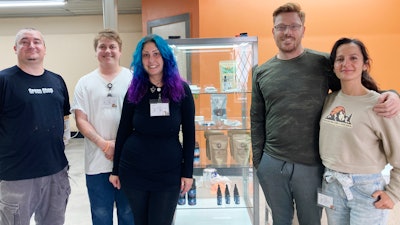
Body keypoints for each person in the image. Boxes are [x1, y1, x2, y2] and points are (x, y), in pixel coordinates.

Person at [250, 3, 400, 225]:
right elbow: (257, 118)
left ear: (303, 29)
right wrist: (259, 163)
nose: (287, 32)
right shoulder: (261, 72)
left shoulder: (321, 63)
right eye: (281, 27)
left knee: (311, 220)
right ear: (273, 31)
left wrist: (392, 94)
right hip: (273, 162)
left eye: (293, 26)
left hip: (312, 165)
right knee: (280, 220)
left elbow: (353, 87)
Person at [109, 34, 195, 225]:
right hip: (134, 170)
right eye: (146, 55)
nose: (151, 60)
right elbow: (123, 130)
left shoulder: (182, 90)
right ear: (141, 60)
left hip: (168, 172)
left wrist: (188, 173)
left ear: (166, 57)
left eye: (156, 54)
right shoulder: (135, 89)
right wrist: (115, 170)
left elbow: (189, 135)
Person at [319, 37, 400, 225]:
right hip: (331, 184)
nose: (346, 64)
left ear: (365, 65)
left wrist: (394, 193)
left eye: (353, 58)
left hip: (366, 189)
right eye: (340, 59)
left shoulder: (381, 105)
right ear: (334, 66)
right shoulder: (329, 101)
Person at [0, 28, 71, 225]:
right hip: (17, 177)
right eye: (24, 41)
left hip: (55, 173)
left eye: (37, 41)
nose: (31, 45)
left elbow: (65, 117)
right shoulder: (4, 80)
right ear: (15, 48)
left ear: (44, 48)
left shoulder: (56, 80)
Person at [71, 29, 134, 225]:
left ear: (120, 50)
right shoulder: (85, 83)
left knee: (128, 214)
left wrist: (119, 145)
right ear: (96, 51)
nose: (108, 51)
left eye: (112, 46)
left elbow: (141, 118)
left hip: (128, 161)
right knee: (100, 215)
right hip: (96, 162)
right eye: (102, 47)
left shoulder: (133, 80)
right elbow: (80, 119)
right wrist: (105, 144)